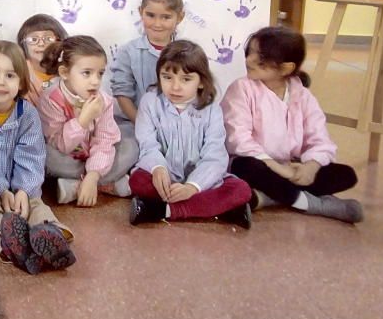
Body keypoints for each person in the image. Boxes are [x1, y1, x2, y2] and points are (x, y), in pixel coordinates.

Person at [0, 41, 76, 275]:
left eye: (10, 75)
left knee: (34, 206)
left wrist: (23, 189)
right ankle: (10, 243)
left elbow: (32, 155)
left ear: (21, 81)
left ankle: (50, 234)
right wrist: (1, 189)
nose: (1, 82)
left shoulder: (28, 114)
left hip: (21, 190)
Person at [221, 26, 363, 223]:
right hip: (254, 164)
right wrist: (280, 170)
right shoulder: (241, 88)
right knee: (246, 167)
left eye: (260, 56)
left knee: (345, 174)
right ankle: (310, 203)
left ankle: (265, 198)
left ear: (286, 67)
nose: (249, 60)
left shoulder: (302, 95)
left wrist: (310, 167)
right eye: (250, 52)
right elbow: (238, 140)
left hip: (288, 167)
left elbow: (320, 140)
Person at [129, 40, 252, 228]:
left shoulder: (212, 110)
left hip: (202, 182)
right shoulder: (150, 102)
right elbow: (147, 144)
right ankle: (223, 210)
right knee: (137, 181)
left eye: (186, 79)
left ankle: (162, 210)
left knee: (241, 190)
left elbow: (215, 155)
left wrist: (193, 186)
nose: (175, 87)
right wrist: (158, 169)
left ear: (201, 82)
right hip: (165, 178)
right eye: (167, 77)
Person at [37, 36, 133, 205]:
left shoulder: (104, 100)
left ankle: (77, 186)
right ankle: (108, 184)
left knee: (131, 145)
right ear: (64, 73)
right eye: (87, 73)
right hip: (67, 157)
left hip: (95, 156)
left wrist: (93, 176)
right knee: (44, 154)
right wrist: (83, 121)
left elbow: (104, 141)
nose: (95, 81)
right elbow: (59, 144)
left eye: (100, 73)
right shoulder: (51, 99)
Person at [109, 0, 182, 176]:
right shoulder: (129, 51)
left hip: (176, 126)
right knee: (127, 150)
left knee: (181, 154)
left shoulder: (187, 52)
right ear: (141, 12)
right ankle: (112, 179)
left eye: (166, 17)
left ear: (179, 17)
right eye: (150, 15)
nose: (157, 23)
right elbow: (122, 93)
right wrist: (142, 124)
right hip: (133, 124)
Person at [16, 14, 68, 107]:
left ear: (59, 42)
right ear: (23, 44)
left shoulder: (68, 72)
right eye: (33, 39)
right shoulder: (18, 73)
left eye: (48, 38)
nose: (41, 43)